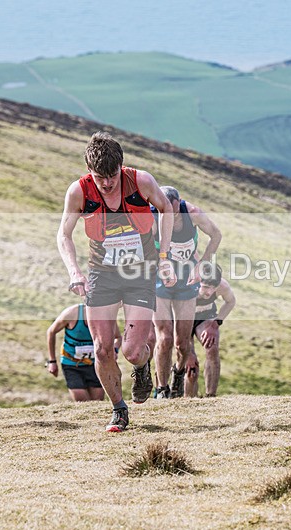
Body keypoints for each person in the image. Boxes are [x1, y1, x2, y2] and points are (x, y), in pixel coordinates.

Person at [57, 131, 177, 432]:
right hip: (102, 273)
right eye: (100, 177)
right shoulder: (79, 191)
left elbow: (166, 208)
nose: (107, 183)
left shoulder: (141, 182)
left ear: (121, 167)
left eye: (112, 175)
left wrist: (163, 257)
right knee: (101, 348)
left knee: (132, 350)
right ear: (89, 171)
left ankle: (141, 366)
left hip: (140, 272)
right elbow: (64, 234)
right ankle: (119, 410)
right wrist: (74, 271)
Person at [152, 186, 222, 399]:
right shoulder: (151, 215)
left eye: (171, 211)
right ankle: (161, 389)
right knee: (164, 337)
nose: (167, 216)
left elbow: (216, 235)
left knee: (182, 344)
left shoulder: (193, 214)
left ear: (178, 203)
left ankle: (178, 373)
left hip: (186, 281)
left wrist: (201, 264)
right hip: (159, 279)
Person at [46, 303, 121, 402]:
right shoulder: (72, 313)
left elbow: (118, 338)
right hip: (72, 364)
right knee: (81, 400)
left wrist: (114, 350)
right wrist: (52, 361)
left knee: (97, 400)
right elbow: (51, 331)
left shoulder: (105, 316)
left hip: (96, 365)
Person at [187, 269, 236, 397]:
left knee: (212, 347)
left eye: (213, 288)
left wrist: (215, 324)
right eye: (206, 287)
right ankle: (189, 399)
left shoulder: (222, 286)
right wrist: (187, 351)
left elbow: (231, 302)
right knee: (191, 364)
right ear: (198, 282)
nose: (209, 292)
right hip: (182, 320)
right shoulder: (187, 286)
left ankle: (211, 396)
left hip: (205, 316)